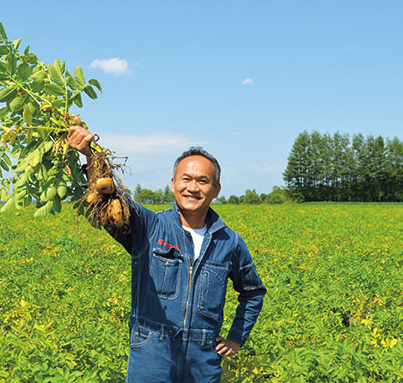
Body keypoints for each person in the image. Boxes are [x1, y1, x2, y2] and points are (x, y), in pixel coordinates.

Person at [68, 121, 267, 383]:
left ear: (216, 190)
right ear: (173, 184)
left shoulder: (229, 241)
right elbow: (110, 201)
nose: (193, 187)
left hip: (203, 361)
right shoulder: (149, 226)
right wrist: (90, 155)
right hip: (151, 354)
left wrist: (235, 339)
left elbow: (253, 292)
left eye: (203, 181)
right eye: (186, 179)